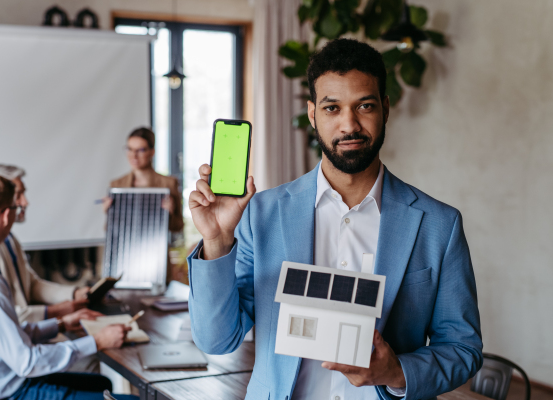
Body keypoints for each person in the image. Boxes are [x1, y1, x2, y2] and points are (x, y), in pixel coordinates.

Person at [187, 39, 483, 400]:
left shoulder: (440, 225)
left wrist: (397, 372)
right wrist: (217, 241)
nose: (349, 124)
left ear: (385, 109)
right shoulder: (261, 215)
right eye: (332, 108)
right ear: (312, 114)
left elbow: (463, 348)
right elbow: (218, 340)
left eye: (365, 106)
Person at [0, 174, 137, 400]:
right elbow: (27, 362)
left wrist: (60, 324)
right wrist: (98, 341)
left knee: (102, 383)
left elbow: (6, 333)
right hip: (9, 392)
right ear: (6, 216)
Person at [0, 164, 91, 325]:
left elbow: (30, 284)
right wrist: (57, 311)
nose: (25, 202)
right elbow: (1, 315)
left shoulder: (10, 239)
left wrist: (73, 293)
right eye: (18, 195)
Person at [104, 127, 184, 233]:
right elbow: (109, 230)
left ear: (152, 152)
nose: (134, 156)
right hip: (125, 246)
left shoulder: (169, 183)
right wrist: (108, 212)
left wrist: (171, 213)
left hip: (156, 245)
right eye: (130, 149)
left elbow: (178, 227)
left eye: (140, 150)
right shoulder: (117, 184)